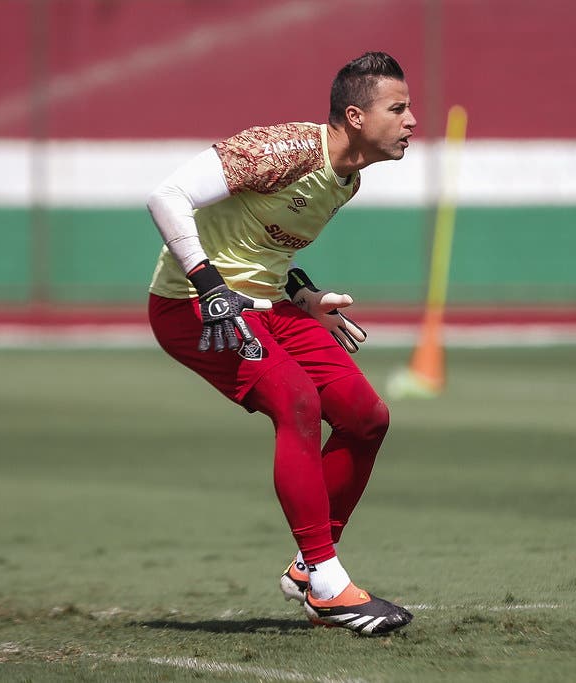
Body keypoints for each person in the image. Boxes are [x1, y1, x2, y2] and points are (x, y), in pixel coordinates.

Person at [145, 51, 417, 636]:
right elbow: (165, 197)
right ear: (355, 115)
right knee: (297, 401)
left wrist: (305, 296)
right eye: (398, 108)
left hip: (266, 307)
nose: (412, 120)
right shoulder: (284, 150)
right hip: (193, 305)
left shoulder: (348, 180)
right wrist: (210, 284)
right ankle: (327, 584)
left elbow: (265, 248)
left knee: (366, 417)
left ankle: (306, 569)